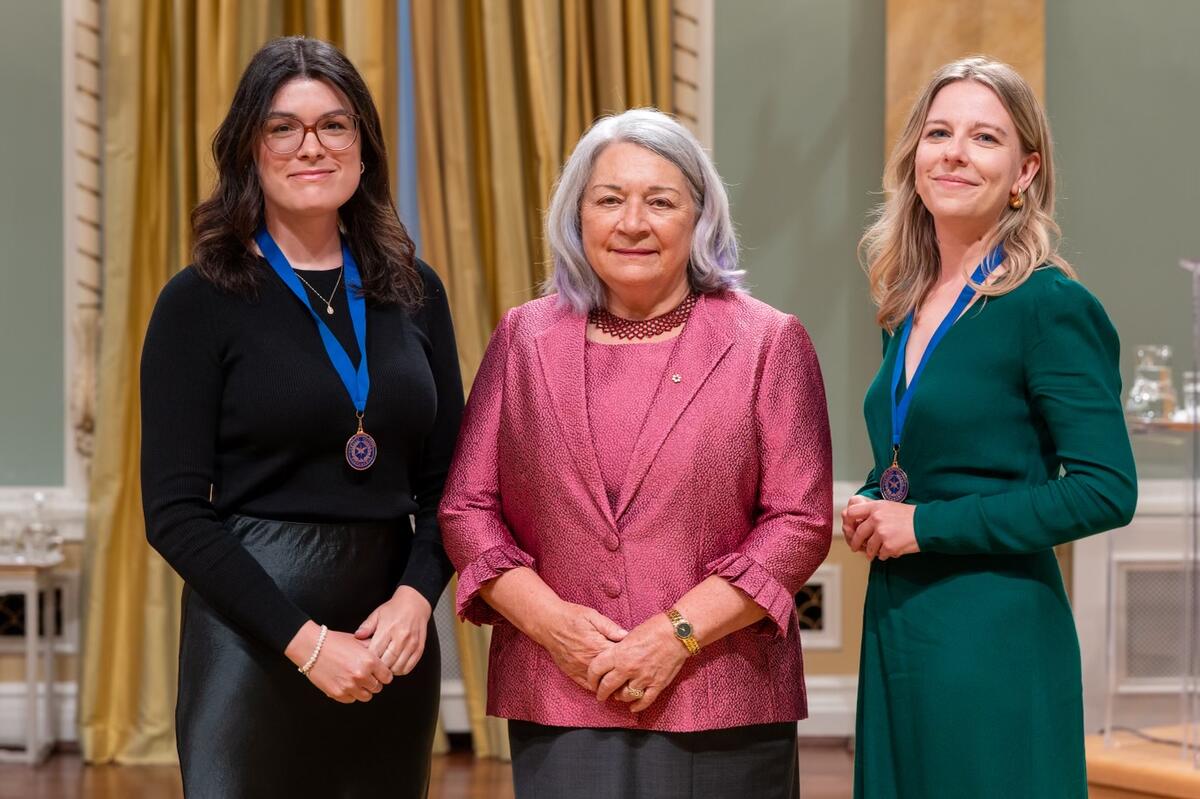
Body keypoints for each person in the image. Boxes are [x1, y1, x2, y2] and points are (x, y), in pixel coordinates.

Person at [439, 108, 832, 799]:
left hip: (721, 693)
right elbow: (467, 509)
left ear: (700, 216)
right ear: (577, 215)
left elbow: (799, 522)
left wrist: (674, 635)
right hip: (562, 689)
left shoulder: (768, 342)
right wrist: (553, 625)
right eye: (609, 199)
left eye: (660, 201)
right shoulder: (522, 340)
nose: (632, 222)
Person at [140, 37, 462, 797]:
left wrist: (417, 598)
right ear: (249, 150)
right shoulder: (197, 300)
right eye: (282, 128)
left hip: (389, 640)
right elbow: (175, 513)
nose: (310, 147)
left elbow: (454, 483)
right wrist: (306, 643)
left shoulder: (415, 290)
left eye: (333, 125)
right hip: (253, 636)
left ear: (363, 147)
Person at [842, 56, 1137, 798]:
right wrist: (874, 497)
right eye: (939, 133)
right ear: (914, 156)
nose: (954, 153)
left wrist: (925, 525)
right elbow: (927, 456)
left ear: (1024, 171)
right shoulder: (905, 301)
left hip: (994, 630)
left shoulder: (1050, 306)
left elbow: (1106, 490)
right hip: (900, 617)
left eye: (984, 138)